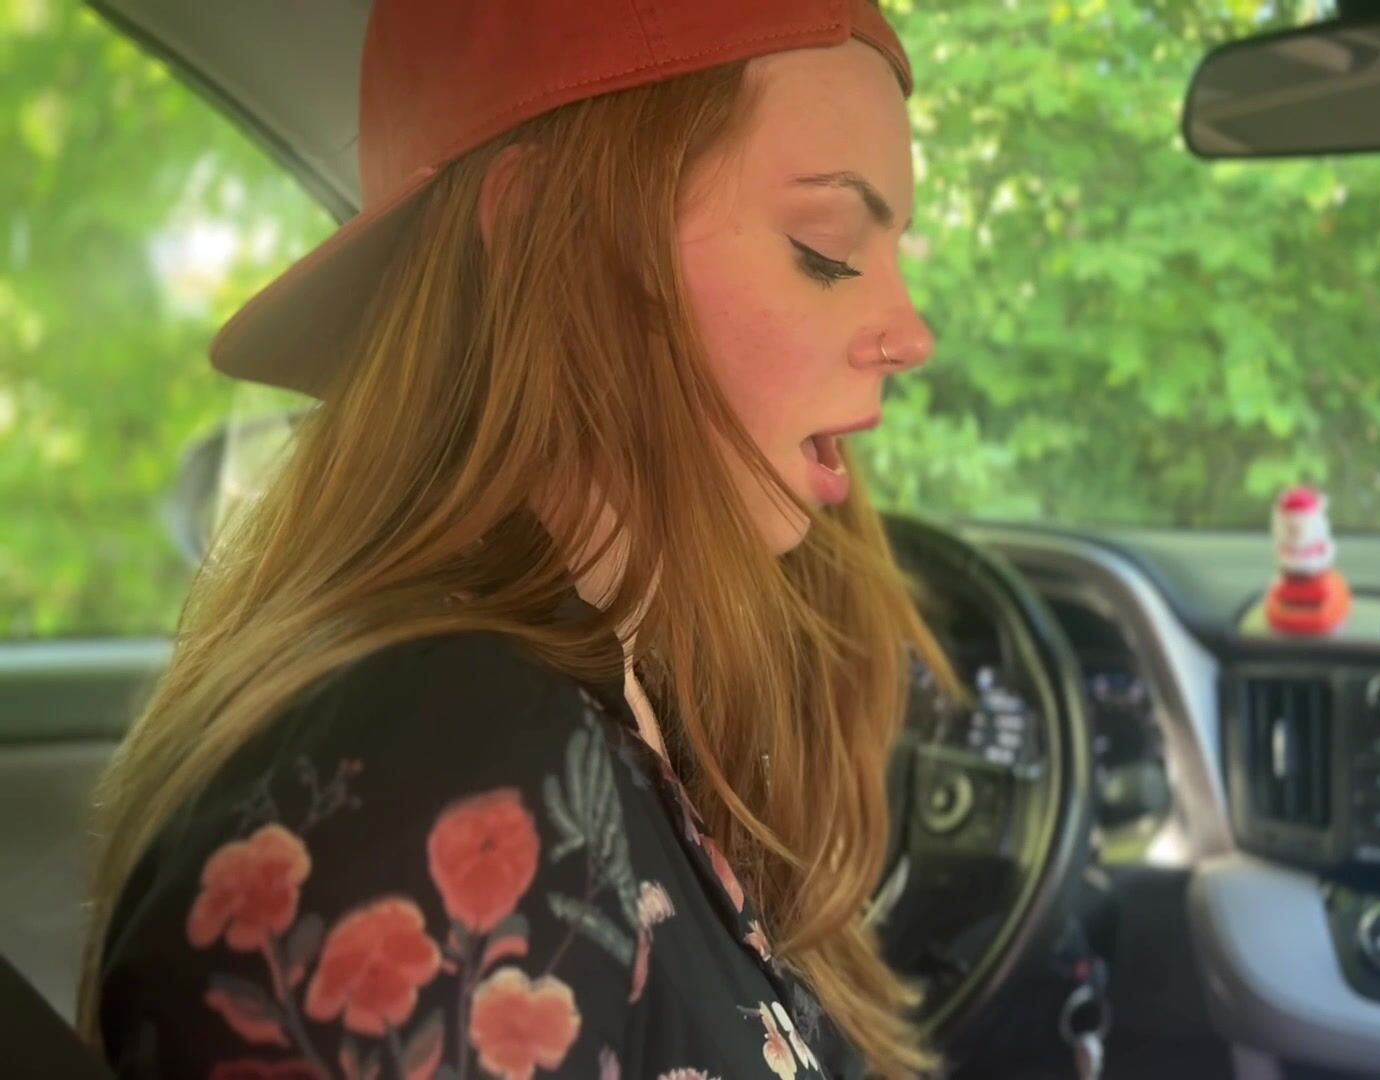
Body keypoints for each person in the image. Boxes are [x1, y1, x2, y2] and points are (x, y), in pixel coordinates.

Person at [76, 1, 963, 1077]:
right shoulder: (439, 789)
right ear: (559, 239)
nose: (911, 334)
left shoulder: (620, 697)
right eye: (826, 249)